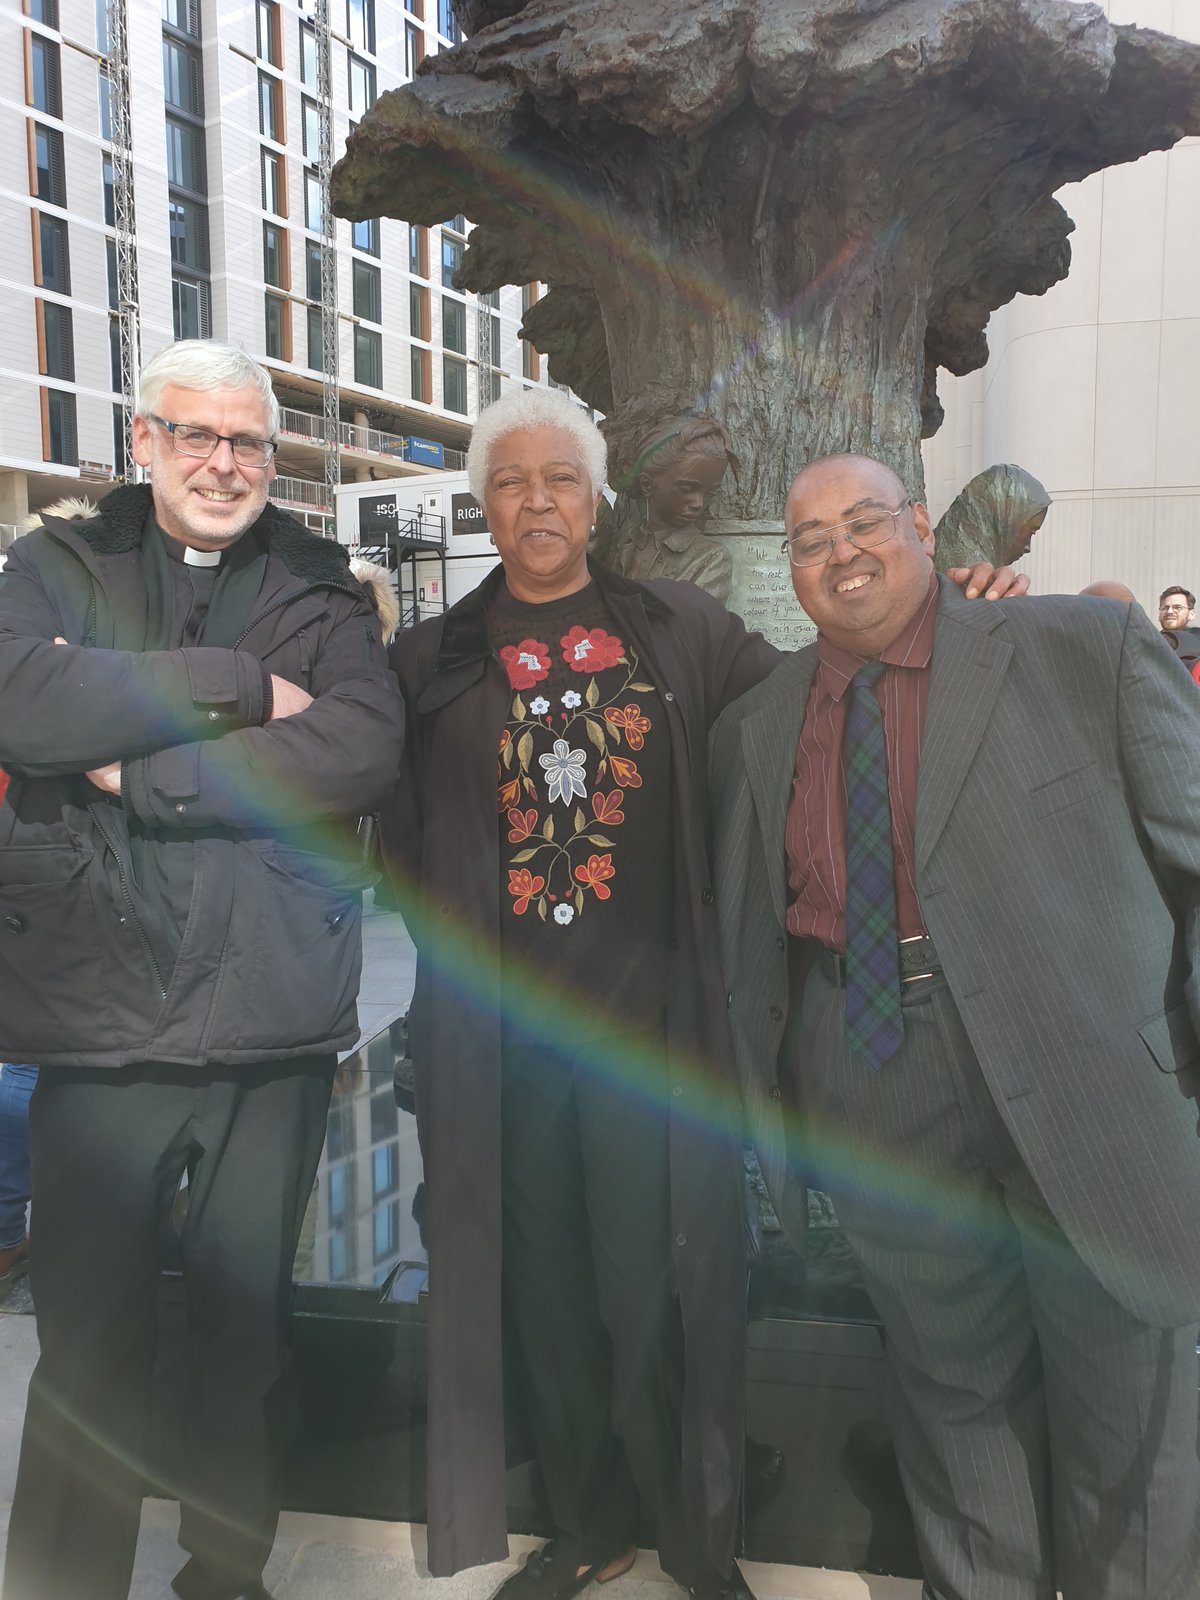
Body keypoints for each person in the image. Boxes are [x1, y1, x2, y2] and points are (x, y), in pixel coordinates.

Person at [382, 394, 1025, 1600]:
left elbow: (825, 697)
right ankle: (585, 1522)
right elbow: (395, 833)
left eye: (561, 480)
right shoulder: (431, 660)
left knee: (653, 1278)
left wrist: (960, 607)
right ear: (483, 503)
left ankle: (692, 1530)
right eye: (512, 482)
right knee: (546, 1286)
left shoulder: (678, 628)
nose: (537, 503)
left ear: (596, 497)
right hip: (504, 1043)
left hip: (652, 1037)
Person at [710, 452, 1200, 1600]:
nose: (842, 553)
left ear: (924, 527)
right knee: (952, 1401)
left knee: (1127, 1397)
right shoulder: (759, 724)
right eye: (811, 538)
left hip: (1086, 1079)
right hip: (877, 1073)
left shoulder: (1082, 650)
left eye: (865, 522)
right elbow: (753, 939)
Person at [0, 339, 405, 1600]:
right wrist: (235, 685)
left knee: (244, 1346)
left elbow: (357, 746)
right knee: (87, 1353)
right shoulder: (54, 565)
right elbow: (22, 705)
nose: (224, 463)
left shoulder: (319, 582)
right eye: (197, 436)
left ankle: (226, 1578)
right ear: (145, 441)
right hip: (101, 1025)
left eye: (247, 442)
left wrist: (153, 769)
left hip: (268, 1022)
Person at [594, 415, 734, 603]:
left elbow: (689, 624)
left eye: (709, 492)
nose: (698, 503)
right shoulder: (620, 542)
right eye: (687, 488)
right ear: (647, 485)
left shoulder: (710, 559)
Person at [932, 462, 1050, 573]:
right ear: (1004, 520)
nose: (1027, 548)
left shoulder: (932, 548)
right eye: (1031, 532)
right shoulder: (970, 577)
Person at [1158, 584, 1200, 668]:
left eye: (1177, 607)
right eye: (1165, 607)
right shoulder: (1152, 637)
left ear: (1191, 614)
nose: (1169, 611)